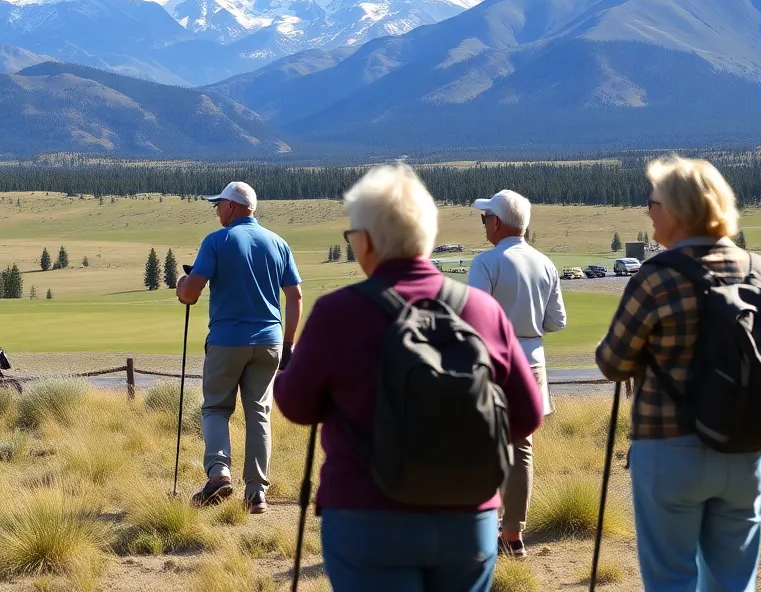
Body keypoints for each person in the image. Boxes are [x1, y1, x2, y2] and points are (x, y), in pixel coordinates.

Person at [275, 163, 542, 592]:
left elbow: (295, 405)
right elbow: (526, 416)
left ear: (364, 241)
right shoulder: (481, 311)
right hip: (468, 518)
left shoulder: (337, 313)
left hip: (366, 514)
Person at [596, 156, 761, 592]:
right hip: (747, 446)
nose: (648, 211)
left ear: (678, 210)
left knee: (670, 580)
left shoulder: (656, 276)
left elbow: (611, 362)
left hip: (669, 446)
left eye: (653, 201)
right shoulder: (759, 270)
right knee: (734, 583)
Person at [176, 181, 302, 514]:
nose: (216, 209)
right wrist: (288, 344)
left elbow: (191, 293)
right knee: (259, 413)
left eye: (219, 204)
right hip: (270, 342)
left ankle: (219, 474)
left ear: (232, 206)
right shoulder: (278, 242)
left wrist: (181, 286)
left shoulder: (217, 241)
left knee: (216, 407)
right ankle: (257, 492)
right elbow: (296, 296)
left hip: (227, 340)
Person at [468, 189, 566, 558]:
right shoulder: (545, 263)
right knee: (521, 448)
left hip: (494, 362)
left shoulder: (486, 262)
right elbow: (557, 321)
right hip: (533, 361)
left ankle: (480, 528)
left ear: (496, 222)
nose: (484, 226)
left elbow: (475, 319)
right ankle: (513, 535)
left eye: (485, 219)